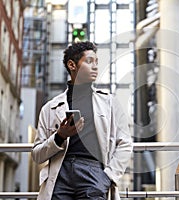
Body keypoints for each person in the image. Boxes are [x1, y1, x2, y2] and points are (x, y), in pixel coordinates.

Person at [32, 41, 133, 200]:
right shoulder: (50, 108)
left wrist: (107, 177)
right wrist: (59, 136)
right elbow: (37, 155)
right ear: (72, 65)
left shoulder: (109, 103)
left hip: (94, 172)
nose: (95, 67)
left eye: (97, 62)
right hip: (60, 173)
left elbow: (125, 143)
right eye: (89, 61)